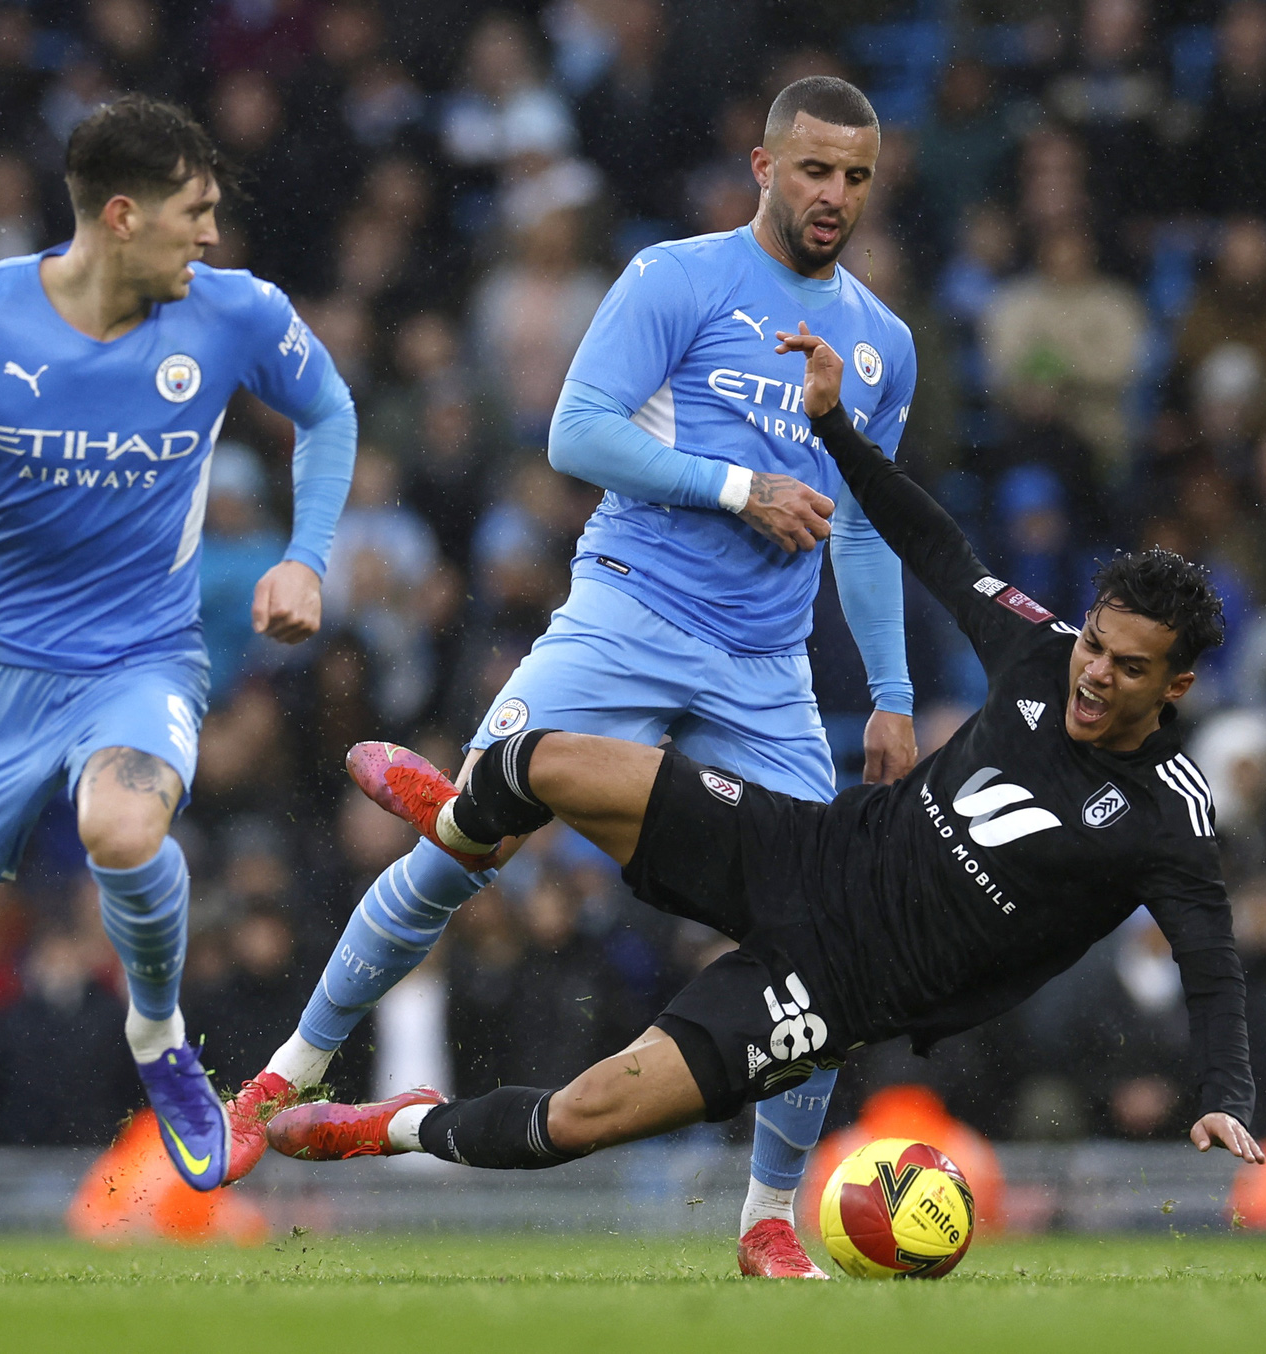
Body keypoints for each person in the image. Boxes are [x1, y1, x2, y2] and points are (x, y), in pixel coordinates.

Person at [263, 325, 1262, 1201]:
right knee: (547, 759)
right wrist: (832, 430)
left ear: (1172, 687)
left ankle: (392, 1124)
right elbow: (933, 540)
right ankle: (457, 822)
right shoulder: (1041, 653)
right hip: (803, 849)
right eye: (1092, 644)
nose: (1090, 676)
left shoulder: (1168, 813)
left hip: (838, 986)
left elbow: (1208, 964)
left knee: (575, 1119)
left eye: (1124, 669)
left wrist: (1222, 1098)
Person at [224, 76, 918, 1281]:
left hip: (764, 667)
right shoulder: (674, 280)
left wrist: (895, 694)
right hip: (628, 613)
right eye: (812, 170)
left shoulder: (881, 344)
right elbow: (575, 433)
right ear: (762, 168)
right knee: (458, 857)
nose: (832, 196)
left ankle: (767, 1220)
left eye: (854, 177)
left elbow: (863, 527)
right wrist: (734, 485)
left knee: (824, 942)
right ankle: (289, 1068)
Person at [0, 95, 356, 1286]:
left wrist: (308, 553)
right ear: (122, 215)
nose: (211, 237)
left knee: (120, 825)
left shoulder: (234, 313)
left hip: (142, 657)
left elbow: (329, 409)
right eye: (193, 214)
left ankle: (159, 1036)